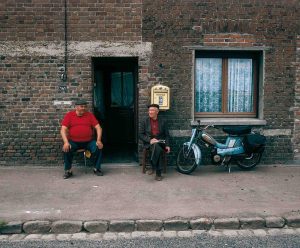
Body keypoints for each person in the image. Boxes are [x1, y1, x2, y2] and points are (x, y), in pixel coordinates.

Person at [60, 99, 104, 179]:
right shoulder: (69, 115)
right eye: (82, 106)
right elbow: (63, 130)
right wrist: (66, 142)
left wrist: (98, 140)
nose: (84, 108)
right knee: (66, 148)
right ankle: (68, 170)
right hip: (74, 142)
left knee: (98, 146)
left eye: (85, 106)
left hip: (88, 142)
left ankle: (97, 168)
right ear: (76, 107)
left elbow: (98, 128)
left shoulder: (89, 115)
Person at [139, 104, 170, 181]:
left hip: (161, 142)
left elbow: (167, 135)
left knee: (157, 146)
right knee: (156, 147)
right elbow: (140, 134)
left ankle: (153, 165)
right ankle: (158, 173)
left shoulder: (163, 121)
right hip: (149, 143)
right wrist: (150, 140)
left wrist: (167, 145)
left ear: (157, 112)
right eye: (149, 110)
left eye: (152, 110)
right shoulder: (144, 121)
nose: (150, 112)